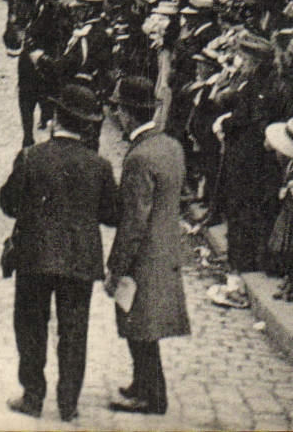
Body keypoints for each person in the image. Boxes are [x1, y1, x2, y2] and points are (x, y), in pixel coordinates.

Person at [0, 84, 120, 423]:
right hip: (79, 260)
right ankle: (68, 404)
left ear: (54, 119)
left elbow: (9, 204)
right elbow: (113, 214)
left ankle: (33, 397)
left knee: (30, 326)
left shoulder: (31, 157)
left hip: (34, 257)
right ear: (86, 126)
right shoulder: (100, 165)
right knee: (74, 331)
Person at [104, 76, 190, 416]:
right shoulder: (170, 146)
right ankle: (141, 383)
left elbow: (133, 221)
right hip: (166, 247)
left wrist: (116, 265)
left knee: (139, 325)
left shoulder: (139, 157)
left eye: (119, 110)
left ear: (127, 113)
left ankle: (152, 396)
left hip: (144, 255)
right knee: (141, 322)